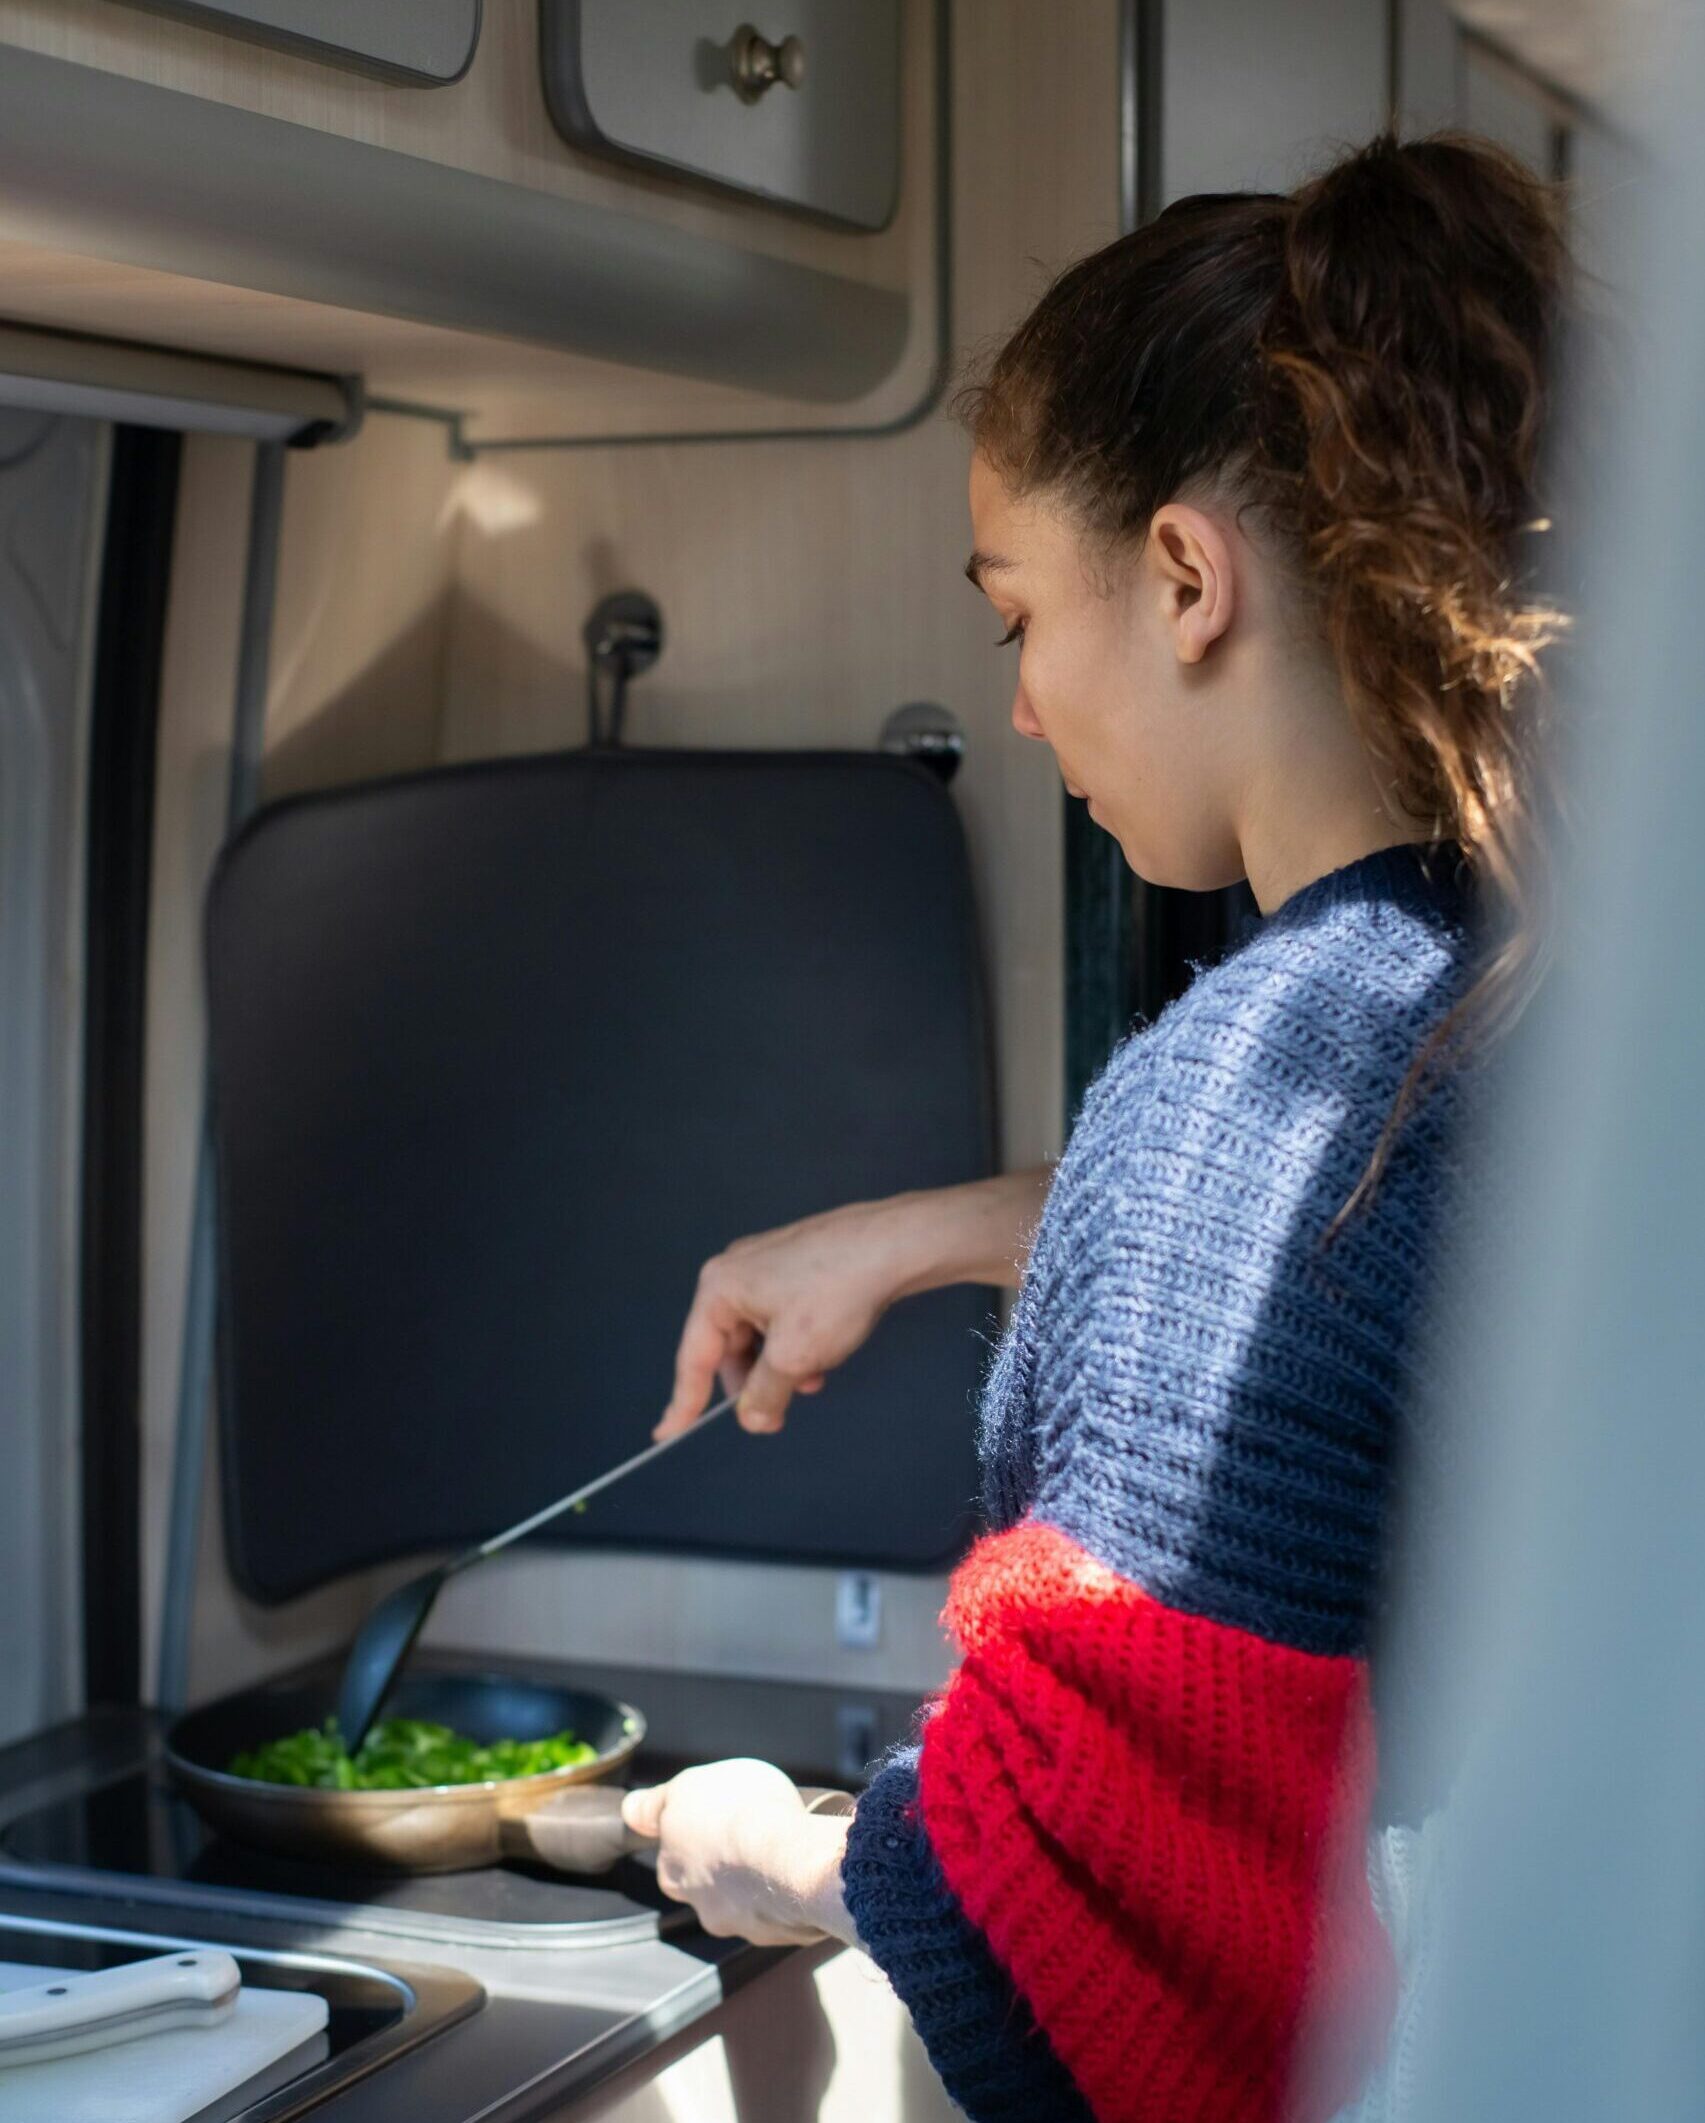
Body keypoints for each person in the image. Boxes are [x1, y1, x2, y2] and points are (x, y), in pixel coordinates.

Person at [619, 132, 1566, 2123]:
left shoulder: (1228, 1101)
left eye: (1018, 620)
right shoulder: (1544, 979)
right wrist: (931, 1227)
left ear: (1185, 580)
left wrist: (774, 1860)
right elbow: (1352, 1263)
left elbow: (1087, 1929)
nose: (1030, 712)